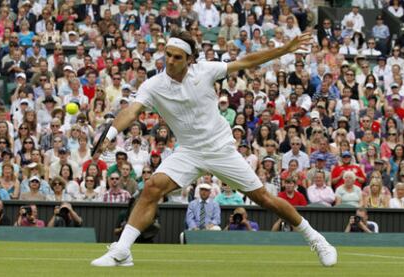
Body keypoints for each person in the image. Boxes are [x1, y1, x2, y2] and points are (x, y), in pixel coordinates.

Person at [91, 30, 337, 268]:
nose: (171, 61)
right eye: (168, 54)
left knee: (265, 199)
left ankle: (317, 239)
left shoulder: (206, 70)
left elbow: (246, 61)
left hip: (221, 149)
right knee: (152, 188)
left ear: (190, 59)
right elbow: (131, 111)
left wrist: (284, 49)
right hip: (188, 152)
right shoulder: (153, 85)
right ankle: (122, 251)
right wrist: (110, 134)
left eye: (177, 57)